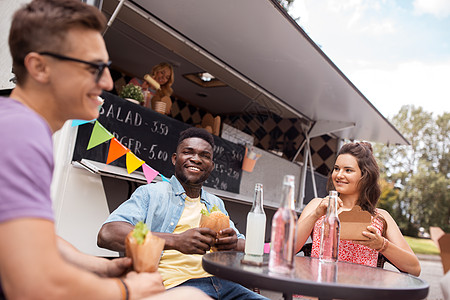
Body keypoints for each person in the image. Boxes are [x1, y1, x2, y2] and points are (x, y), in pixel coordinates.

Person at [0, 1, 209, 299]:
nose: (108, 82)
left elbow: (34, 239)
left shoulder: (16, 123)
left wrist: (102, 267)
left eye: (106, 69)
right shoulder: (22, 131)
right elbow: (32, 281)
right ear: (39, 67)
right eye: (94, 68)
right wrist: (125, 289)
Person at [98, 127, 268, 300]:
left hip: (224, 284)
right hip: (173, 287)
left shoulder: (215, 203)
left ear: (211, 166)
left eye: (205, 155)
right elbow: (107, 234)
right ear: (175, 159)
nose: (196, 159)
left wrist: (232, 244)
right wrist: (175, 240)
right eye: (188, 152)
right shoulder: (152, 193)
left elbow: (245, 245)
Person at [295, 142, 421, 276]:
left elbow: (415, 268)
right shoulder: (317, 205)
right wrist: (316, 214)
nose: (339, 175)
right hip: (318, 290)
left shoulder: (380, 217)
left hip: (359, 291)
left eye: (348, 170)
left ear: (365, 176)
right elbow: (287, 250)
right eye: (337, 168)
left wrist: (381, 245)